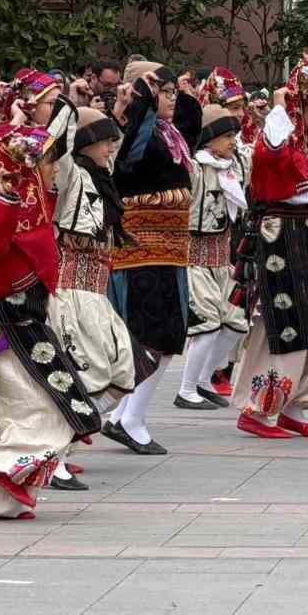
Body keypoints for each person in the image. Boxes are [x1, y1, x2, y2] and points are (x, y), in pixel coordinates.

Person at [0, 123, 101, 516]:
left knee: (26, 408)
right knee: (44, 405)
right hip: (6, 324)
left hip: (26, 319)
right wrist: (4, 195)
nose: (55, 170)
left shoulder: (31, 204)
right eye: (50, 162)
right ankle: (5, 467)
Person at [233, 52, 308, 441]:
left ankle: (296, 406)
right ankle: (260, 409)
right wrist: (281, 105)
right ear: (299, 105)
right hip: (281, 234)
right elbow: (271, 150)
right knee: (288, 324)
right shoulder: (279, 137)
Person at [103, 62, 201, 455]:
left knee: (166, 334)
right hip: (141, 250)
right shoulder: (131, 132)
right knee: (149, 336)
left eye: (173, 91)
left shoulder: (169, 132)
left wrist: (185, 91)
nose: (172, 99)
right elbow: (130, 161)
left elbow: (195, 124)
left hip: (169, 248)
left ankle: (124, 416)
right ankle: (125, 417)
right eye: (164, 91)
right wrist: (142, 99)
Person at [48, 99, 139, 448]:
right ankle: (55, 451)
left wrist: (127, 106)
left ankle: (69, 432)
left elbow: (124, 142)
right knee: (88, 372)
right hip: (71, 292)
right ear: (85, 144)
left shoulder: (102, 177)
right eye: (104, 141)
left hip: (96, 293)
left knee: (122, 368)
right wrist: (66, 106)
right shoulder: (70, 174)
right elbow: (59, 148)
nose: (111, 147)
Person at [177, 103, 251, 412]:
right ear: (209, 138)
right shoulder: (195, 167)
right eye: (226, 136)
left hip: (222, 259)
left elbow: (258, 149)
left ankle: (205, 380)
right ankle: (185, 389)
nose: (232, 141)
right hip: (195, 257)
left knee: (237, 323)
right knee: (206, 325)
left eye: (234, 134)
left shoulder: (234, 167)